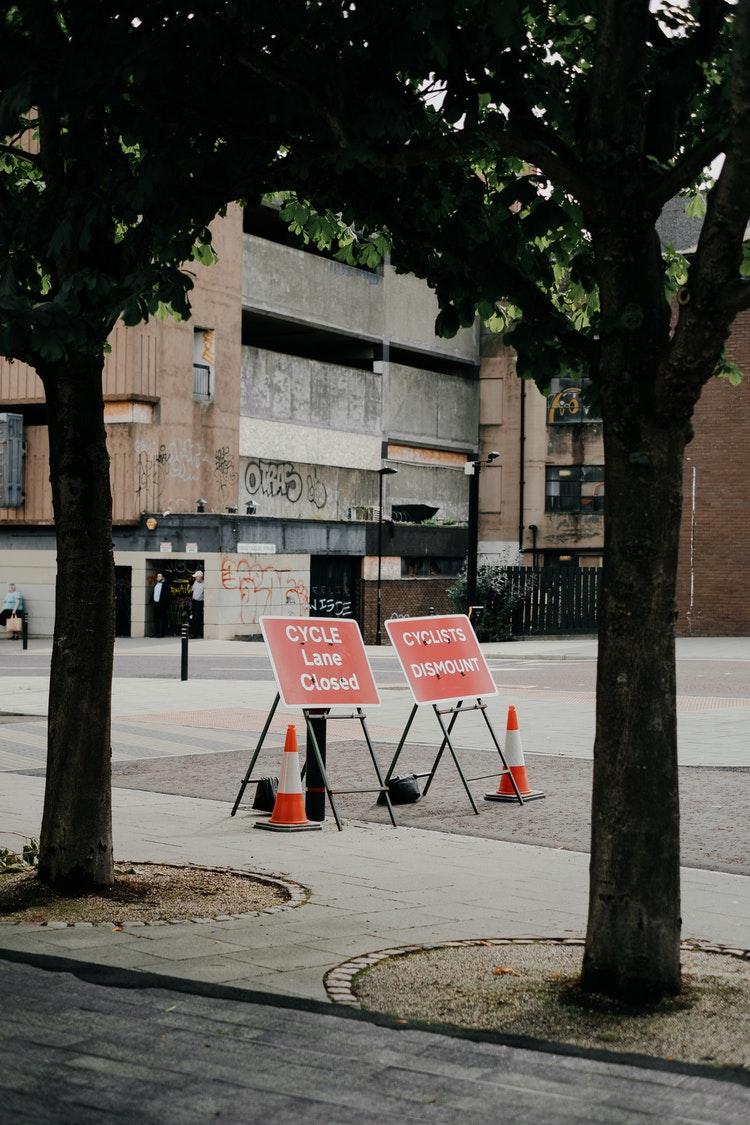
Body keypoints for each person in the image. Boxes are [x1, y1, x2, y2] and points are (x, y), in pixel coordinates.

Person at [152, 571, 171, 638]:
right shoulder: (156, 584)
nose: (158, 577)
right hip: (155, 603)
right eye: (157, 576)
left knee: (161, 619)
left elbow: (167, 595)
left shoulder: (165, 584)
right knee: (156, 618)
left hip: (162, 604)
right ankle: (156, 633)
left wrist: (165, 604)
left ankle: (161, 633)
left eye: (159, 576)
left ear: (163, 577)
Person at [189, 570, 204, 638]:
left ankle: (195, 634)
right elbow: (193, 590)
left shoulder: (204, 584)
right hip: (194, 601)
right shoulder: (195, 582)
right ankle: (193, 632)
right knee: (193, 618)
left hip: (199, 602)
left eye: (196, 577)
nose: (195, 578)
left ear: (200, 577)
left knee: (197, 618)